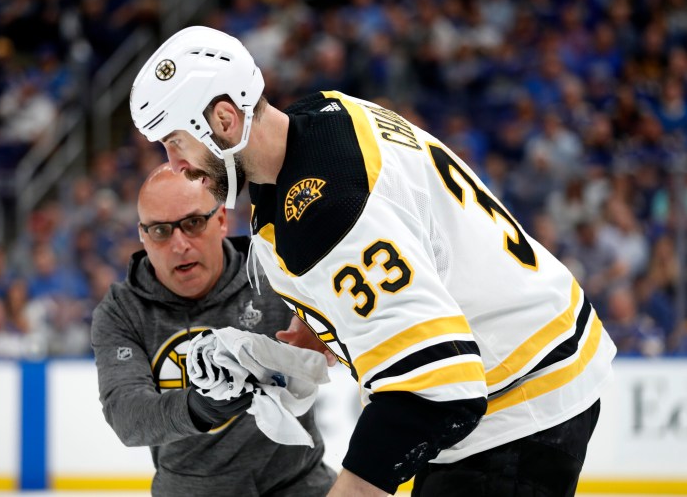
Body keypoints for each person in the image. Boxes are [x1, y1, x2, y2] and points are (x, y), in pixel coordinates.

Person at [128, 26, 617, 497]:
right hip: (536, 348)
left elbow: (437, 392)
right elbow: (405, 230)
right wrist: (322, 322)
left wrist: (352, 490)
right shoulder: (327, 113)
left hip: (518, 398)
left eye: (174, 142)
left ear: (223, 121)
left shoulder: (328, 215)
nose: (174, 165)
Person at [90, 164, 335, 496]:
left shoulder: (275, 271)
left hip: (300, 483)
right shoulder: (122, 312)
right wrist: (199, 408)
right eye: (161, 231)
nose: (179, 244)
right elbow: (128, 418)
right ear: (143, 237)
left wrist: (331, 333)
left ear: (220, 220)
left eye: (193, 223)